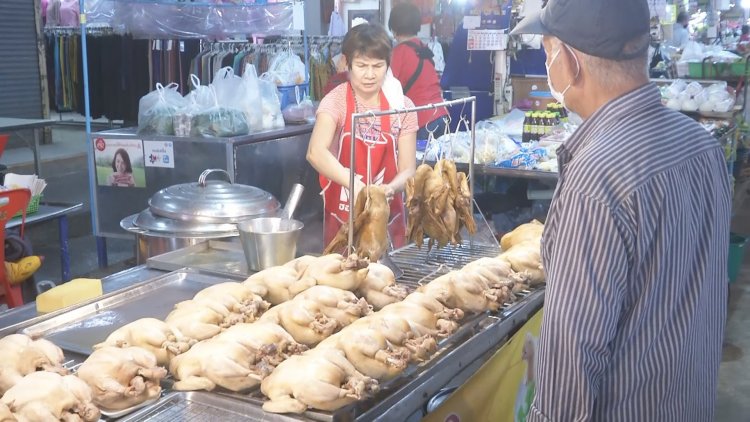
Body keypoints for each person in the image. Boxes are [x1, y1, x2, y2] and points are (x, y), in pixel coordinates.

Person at [511, 0, 730, 420]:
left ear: (570, 62)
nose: (546, 63)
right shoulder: (701, 146)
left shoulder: (595, 180)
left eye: (546, 50)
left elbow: (571, 361)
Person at [307, 23, 418, 246]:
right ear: (346, 64)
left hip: (387, 219)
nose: (369, 75)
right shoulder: (336, 101)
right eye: (361, 65)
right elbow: (315, 152)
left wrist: (390, 188)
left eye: (377, 66)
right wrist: (355, 185)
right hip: (343, 218)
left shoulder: (402, 107)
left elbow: (408, 169)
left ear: (388, 66)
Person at [388, 3, 448, 140]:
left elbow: (389, 90)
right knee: (438, 161)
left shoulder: (397, 54)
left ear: (394, 28)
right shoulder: (423, 48)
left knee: (419, 161)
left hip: (421, 120)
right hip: (441, 114)